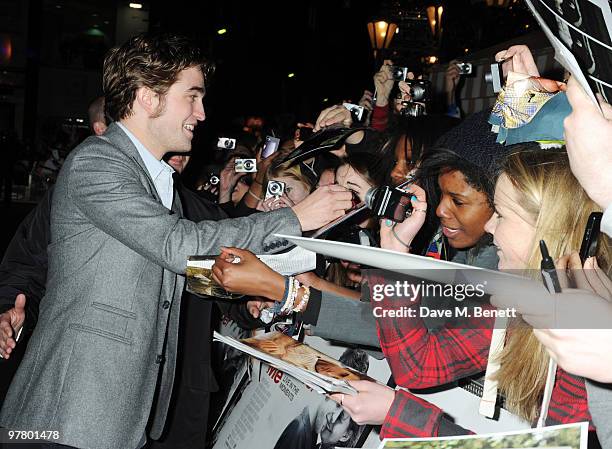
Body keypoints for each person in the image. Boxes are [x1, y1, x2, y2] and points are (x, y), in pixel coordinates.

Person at [0, 32, 352, 449]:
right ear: (149, 97)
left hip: (122, 415)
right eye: (193, 96)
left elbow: (167, 269)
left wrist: (244, 289)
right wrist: (295, 217)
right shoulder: (97, 162)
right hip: (69, 413)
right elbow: (177, 245)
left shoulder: (154, 178)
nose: (202, 113)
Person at [332, 147, 602, 439]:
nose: (489, 226)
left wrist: (399, 415)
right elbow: (419, 364)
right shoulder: (522, 300)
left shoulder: (592, 337)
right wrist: (394, 256)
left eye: (501, 214)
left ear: (547, 228)